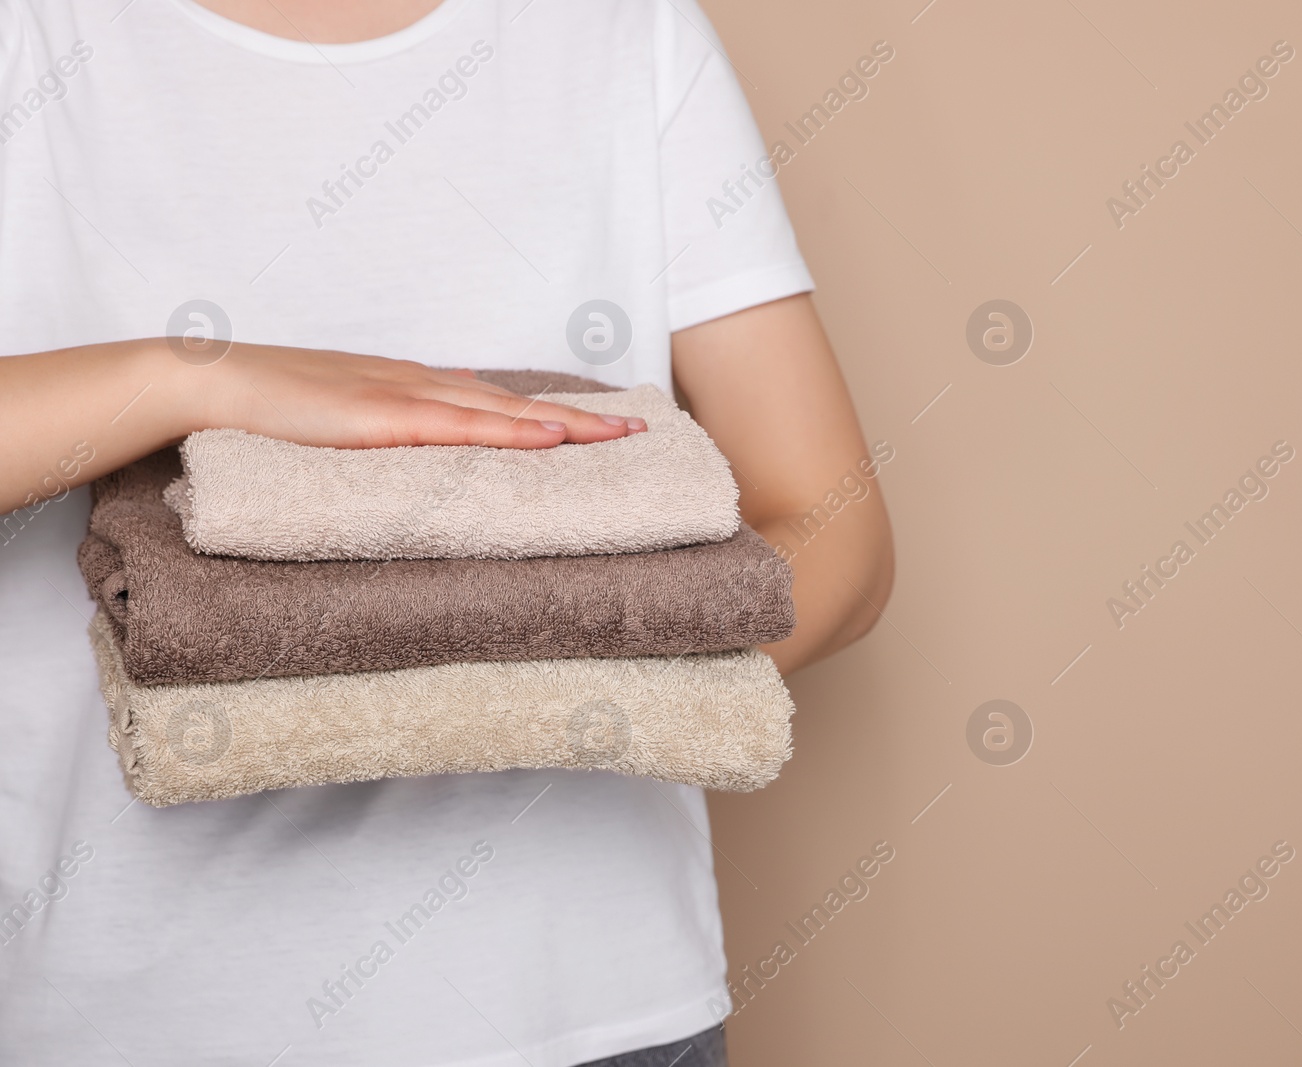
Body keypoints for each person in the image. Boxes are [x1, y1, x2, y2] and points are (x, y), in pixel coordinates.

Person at [0, 0, 894, 1063]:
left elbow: (837, 535)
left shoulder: (619, 31)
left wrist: (475, 694)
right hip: (130, 1014)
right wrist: (187, 378)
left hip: (583, 1005)